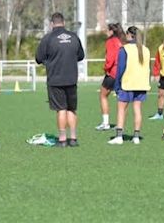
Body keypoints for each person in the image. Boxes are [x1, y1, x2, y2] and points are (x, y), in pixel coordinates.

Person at [35, 12, 85, 148]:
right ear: (63, 23)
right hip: (71, 79)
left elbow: (38, 58)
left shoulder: (48, 38)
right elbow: (81, 56)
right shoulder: (74, 37)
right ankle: (73, 138)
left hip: (55, 79)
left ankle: (62, 139)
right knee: (71, 109)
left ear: (52, 24)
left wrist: (49, 60)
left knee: (61, 109)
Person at [108, 26, 150, 145]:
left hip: (127, 83)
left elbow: (120, 69)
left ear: (129, 35)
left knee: (121, 109)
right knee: (137, 110)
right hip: (141, 84)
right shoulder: (145, 49)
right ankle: (136, 137)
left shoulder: (124, 49)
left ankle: (119, 137)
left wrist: (117, 86)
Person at [96, 23, 124, 131]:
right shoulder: (121, 41)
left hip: (113, 72)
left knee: (103, 95)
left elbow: (110, 58)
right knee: (121, 98)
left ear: (112, 31)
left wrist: (106, 69)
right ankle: (119, 124)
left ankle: (106, 123)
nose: (106, 32)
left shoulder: (111, 41)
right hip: (122, 72)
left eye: (107, 30)